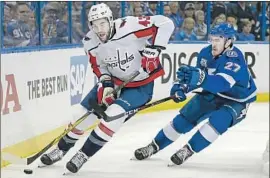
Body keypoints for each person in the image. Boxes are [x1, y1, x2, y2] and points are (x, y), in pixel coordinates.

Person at [39, 3, 174, 173]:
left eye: (102, 23)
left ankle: (83, 154)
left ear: (111, 20)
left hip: (140, 85)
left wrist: (156, 48)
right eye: (94, 25)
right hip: (114, 82)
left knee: (112, 116)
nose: (99, 29)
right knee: (81, 115)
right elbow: (99, 66)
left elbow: (165, 23)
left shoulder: (130, 26)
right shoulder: (90, 41)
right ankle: (61, 149)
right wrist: (106, 84)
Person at [134, 23, 257, 166]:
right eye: (212, 39)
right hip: (213, 93)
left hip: (237, 100)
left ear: (228, 42)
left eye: (218, 40)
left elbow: (222, 83)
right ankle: (154, 145)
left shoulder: (235, 58)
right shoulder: (205, 53)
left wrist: (200, 78)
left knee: (219, 121)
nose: (214, 43)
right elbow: (196, 77)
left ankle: (188, 150)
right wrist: (181, 87)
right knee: (185, 118)